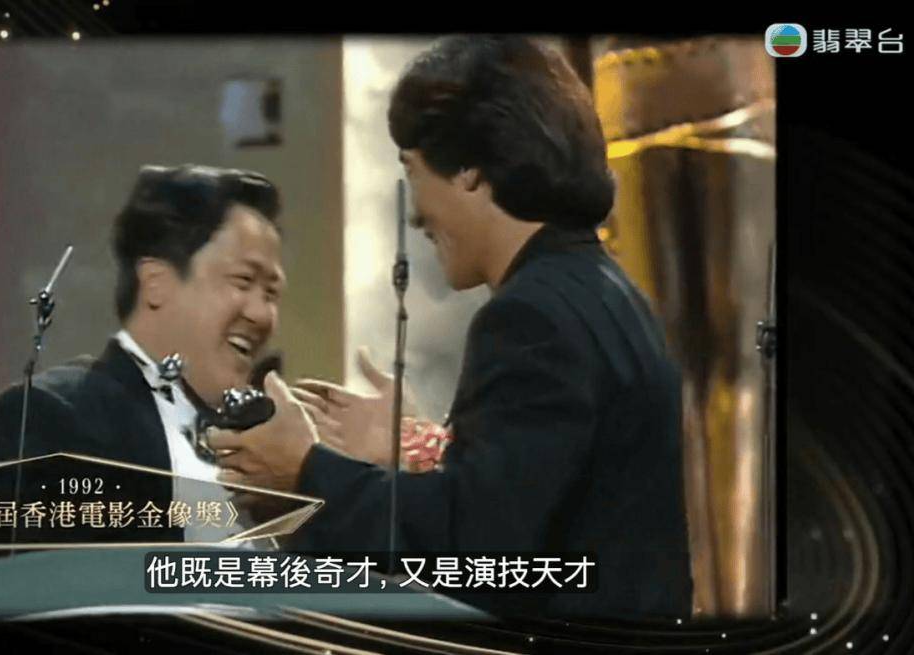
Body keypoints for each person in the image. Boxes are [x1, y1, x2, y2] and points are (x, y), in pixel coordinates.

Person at [207, 36, 693, 620]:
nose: (415, 214)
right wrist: (420, 449)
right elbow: (532, 496)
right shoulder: (604, 291)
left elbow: (473, 553)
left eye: (412, 172)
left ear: (468, 171)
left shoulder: (531, 317)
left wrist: (306, 470)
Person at [0, 164, 285, 548]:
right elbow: (66, 579)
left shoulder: (261, 455)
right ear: (157, 283)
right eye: (243, 281)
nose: (262, 314)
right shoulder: (55, 416)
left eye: (271, 294)